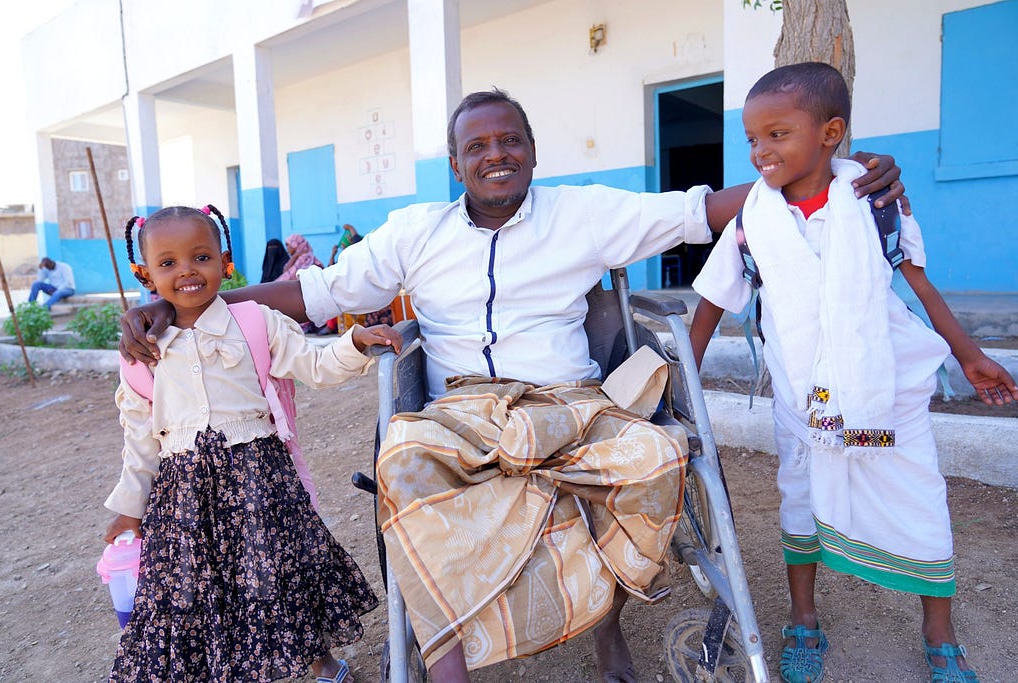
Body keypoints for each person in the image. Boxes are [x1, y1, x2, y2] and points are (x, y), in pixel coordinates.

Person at [119, 88, 906, 683]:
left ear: (531, 150)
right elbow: (317, 293)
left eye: (510, 141)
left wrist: (831, 168)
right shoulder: (413, 231)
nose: (495, 154)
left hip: (571, 398)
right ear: (456, 163)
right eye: (477, 145)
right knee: (403, 470)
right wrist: (192, 302)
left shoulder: (585, 213)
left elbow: (706, 209)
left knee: (657, 457)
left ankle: (604, 618)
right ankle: (450, 660)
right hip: (461, 403)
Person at [688, 63, 1017, 683]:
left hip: (879, 400)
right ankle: (803, 620)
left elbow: (917, 283)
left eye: (778, 134)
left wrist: (968, 354)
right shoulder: (752, 220)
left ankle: (939, 632)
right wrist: (685, 377)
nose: (761, 151)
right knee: (802, 499)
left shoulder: (876, 204)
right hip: (803, 402)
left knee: (916, 496)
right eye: (753, 138)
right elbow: (710, 302)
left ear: (830, 132)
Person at [104, 204, 402, 683]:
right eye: (167, 263)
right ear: (144, 274)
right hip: (184, 500)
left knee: (281, 575)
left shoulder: (256, 323)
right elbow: (140, 440)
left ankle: (323, 665)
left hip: (260, 483)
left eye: (200, 257)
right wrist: (129, 508)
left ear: (225, 262)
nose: (186, 271)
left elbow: (314, 367)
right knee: (200, 591)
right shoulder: (142, 355)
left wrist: (356, 344)